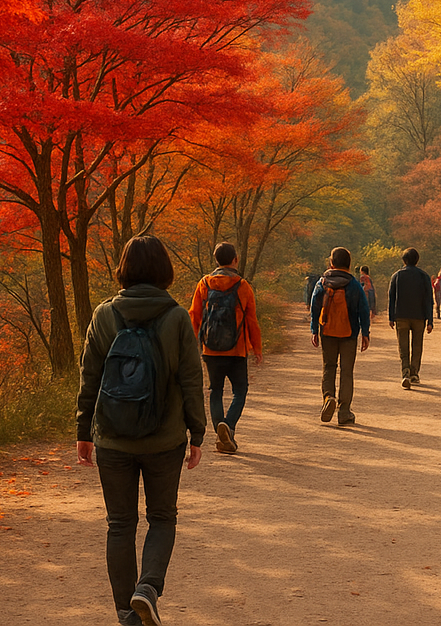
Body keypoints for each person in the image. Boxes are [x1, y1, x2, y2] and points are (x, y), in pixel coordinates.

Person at [76, 234, 206, 626]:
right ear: (163, 270)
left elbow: (90, 376)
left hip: (112, 436)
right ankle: (146, 588)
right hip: (164, 439)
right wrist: (197, 434)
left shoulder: (103, 315)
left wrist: (83, 429)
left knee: (120, 524)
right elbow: (191, 379)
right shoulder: (177, 316)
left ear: (125, 268)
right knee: (162, 517)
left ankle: (125, 616)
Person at [188, 242, 263, 454]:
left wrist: (190, 344)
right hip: (237, 350)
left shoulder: (204, 283)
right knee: (240, 390)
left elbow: (194, 315)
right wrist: (257, 348)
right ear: (235, 260)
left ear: (216, 260)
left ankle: (220, 429)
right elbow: (252, 321)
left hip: (210, 349)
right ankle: (228, 427)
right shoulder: (243, 286)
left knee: (215, 391)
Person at [309, 246, 370, 425]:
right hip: (349, 333)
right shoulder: (354, 284)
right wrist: (365, 333)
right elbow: (363, 310)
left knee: (329, 366)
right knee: (346, 370)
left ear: (331, 263)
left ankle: (328, 398)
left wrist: (314, 329)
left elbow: (314, 307)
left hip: (327, 331)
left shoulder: (322, 283)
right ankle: (344, 411)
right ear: (349, 264)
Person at [386, 247, 434, 389]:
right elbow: (428, 300)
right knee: (417, 346)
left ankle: (405, 372)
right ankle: (414, 373)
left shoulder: (397, 276)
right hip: (419, 317)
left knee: (403, 347)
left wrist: (391, 316)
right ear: (417, 260)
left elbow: (391, 297)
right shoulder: (424, 276)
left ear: (404, 260)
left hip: (401, 316)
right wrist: (430, 320)